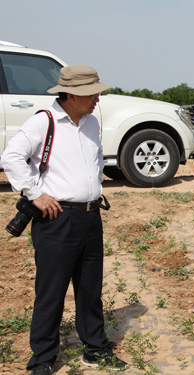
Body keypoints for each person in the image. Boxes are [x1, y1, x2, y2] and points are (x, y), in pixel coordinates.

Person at [0, 65, 128, 375]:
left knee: (89, 290)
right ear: (71, 94)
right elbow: (11, 157)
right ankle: (43, 358)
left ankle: (95, 348)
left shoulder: (91, 122)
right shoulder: (43, 122)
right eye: (91, 92)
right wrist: (35, 194)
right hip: (56, 220)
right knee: (51, 292)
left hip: (90, 216)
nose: (97, 97)